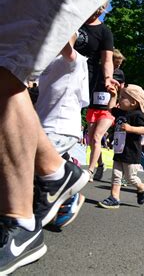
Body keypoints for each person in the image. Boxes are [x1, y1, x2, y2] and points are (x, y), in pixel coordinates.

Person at [0, 0, 121, 273]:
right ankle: (56, 173)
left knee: (4, 72)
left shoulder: (98, 36)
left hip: (70, 109)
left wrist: (108, 82)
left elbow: (103, 58)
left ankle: (21, 219)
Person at [35, 34, 90, 228]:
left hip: (61, 127)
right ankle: (68, 198)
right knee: (37, 174)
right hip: (43, 127)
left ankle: (67, 195)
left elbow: (64, 42)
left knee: (30, 170)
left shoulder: (76, 60)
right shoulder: (44, 61)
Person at [75, 5, 117, 182]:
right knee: (92, 138)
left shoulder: (104, 32)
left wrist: (109, 79)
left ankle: (91, 170)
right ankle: (97, 165)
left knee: (96, 137)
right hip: (63, 71)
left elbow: (107, 60)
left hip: (100, 102)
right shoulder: (75, 20)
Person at [98, 84, 144, 209]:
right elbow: (110, 108)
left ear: (133, 102)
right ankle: (114, 198)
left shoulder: (139, 115)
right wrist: (113, 96)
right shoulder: (122, 112)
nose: (119, 100)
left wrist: (130, 128)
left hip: (131, 151)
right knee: (116, 175)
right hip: (119, 148)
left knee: (130, 177)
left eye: (122, 97)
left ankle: (142, 188)